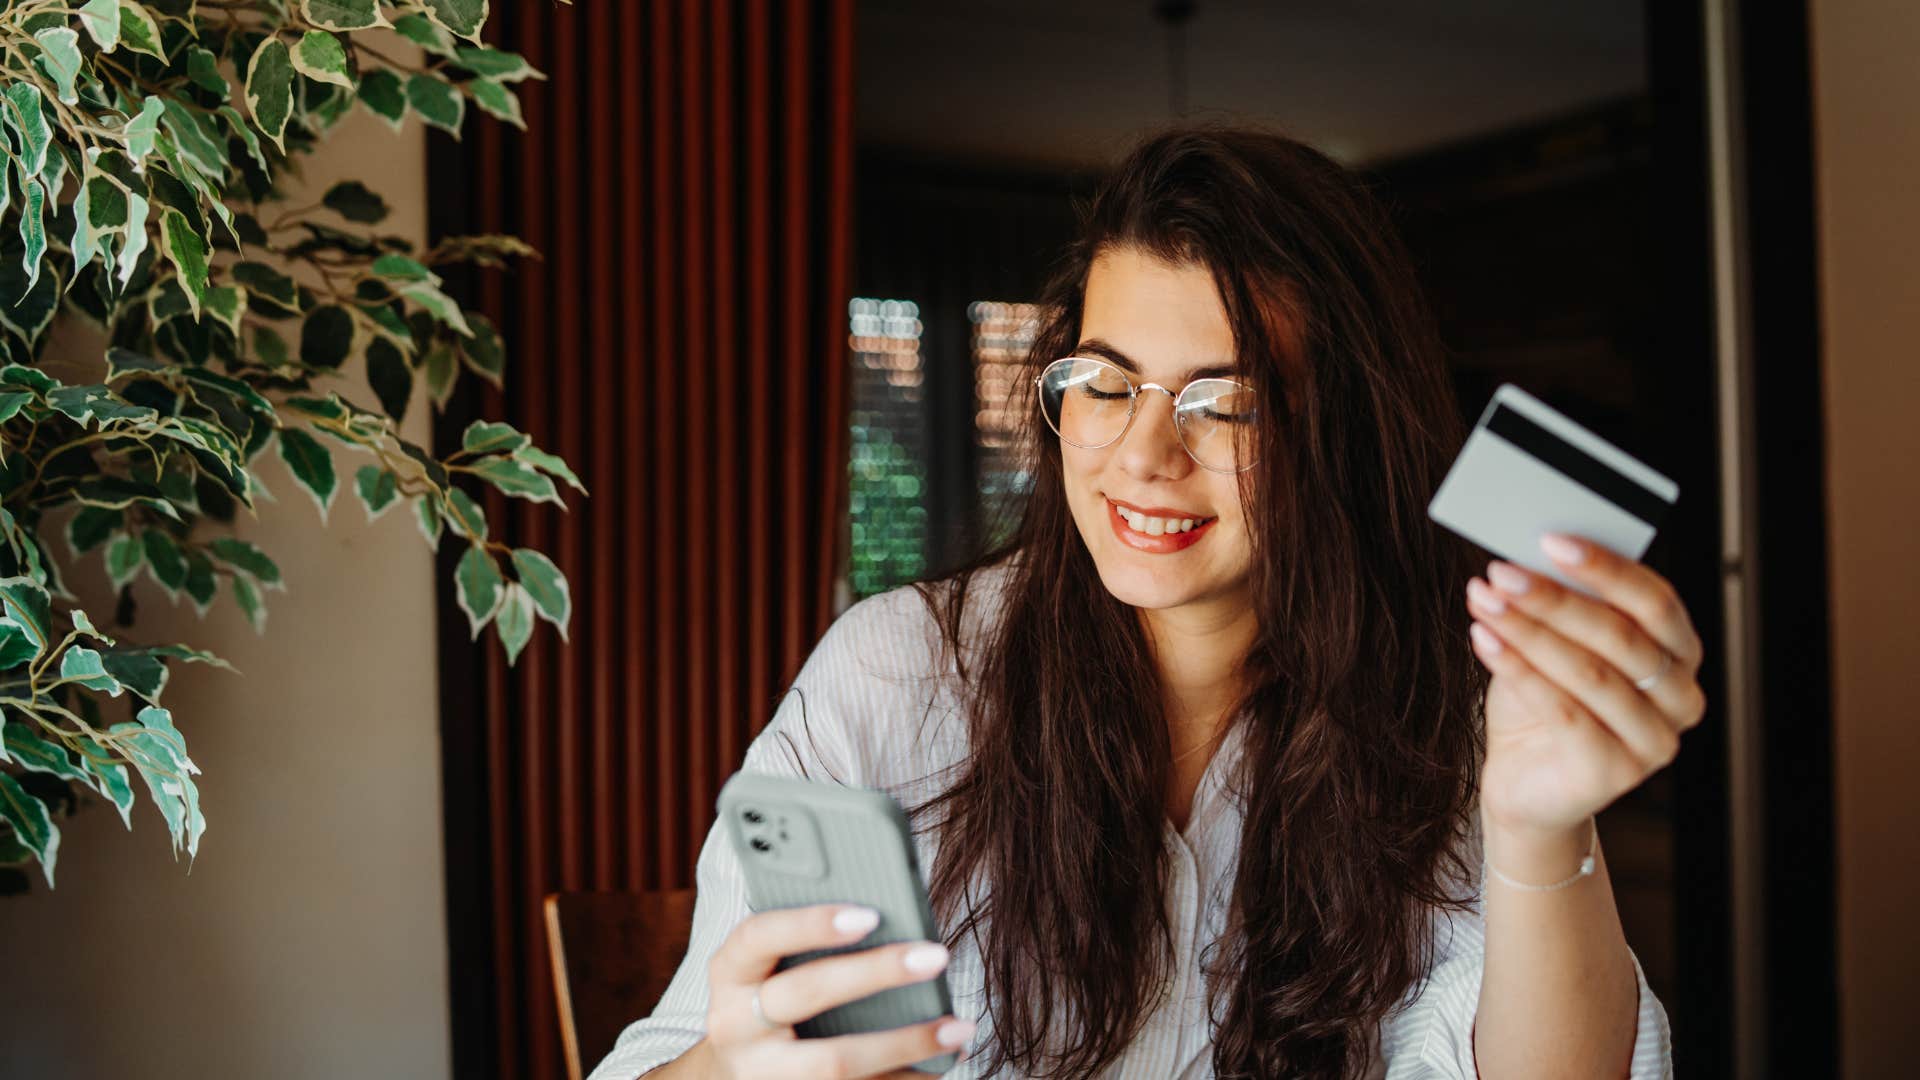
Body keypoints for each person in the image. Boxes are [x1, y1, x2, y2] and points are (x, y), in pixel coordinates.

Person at [590, 126, 1696, 1079]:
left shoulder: (1439, 713)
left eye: (1229, 404)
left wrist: (1540, 828)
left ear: (1345, 435)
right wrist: (729, 1064)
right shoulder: (897, 674)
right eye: (1104, 383)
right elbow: (666, 1058)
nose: (1142, 456)